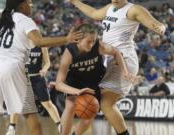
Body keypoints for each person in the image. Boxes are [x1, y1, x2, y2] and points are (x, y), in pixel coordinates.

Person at [69, 0, 166, 135]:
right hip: (108, 58)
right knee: (94, 101)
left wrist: (160, 28)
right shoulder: (110, 7)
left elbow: (157, 24)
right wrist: (76, 2)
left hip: (124, 59)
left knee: (105, 103)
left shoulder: (133, 9)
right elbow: (93, 13)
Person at [0, 0, 82, 135]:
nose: (32, 5)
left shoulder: (2, 22)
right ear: (22, 5)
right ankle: (13, 127)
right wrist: (66, 39)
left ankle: (15, 127)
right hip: (14, 69)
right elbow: (40, 42)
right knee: (31, 118)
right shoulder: (25, 20)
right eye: (29, 2)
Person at [55, 23, 133, 135]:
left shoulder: (98, 46)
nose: (91, 44)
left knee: (89, 114)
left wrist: (125, 71)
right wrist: (77, 91)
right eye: (88, 41)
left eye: (93, 41)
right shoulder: (69, 53)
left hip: (94, 83)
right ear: (78, 40)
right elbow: (59, 84)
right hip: (75, 83)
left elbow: (116, 52)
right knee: (70, 105)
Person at [6, 47, 61, 135]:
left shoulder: (42, 46)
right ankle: (12, 128)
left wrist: (44, 69)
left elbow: (47, 62)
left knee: (47, 103)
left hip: (37, 77)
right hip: (23, 78)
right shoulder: (21, 43)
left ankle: (60, 125)